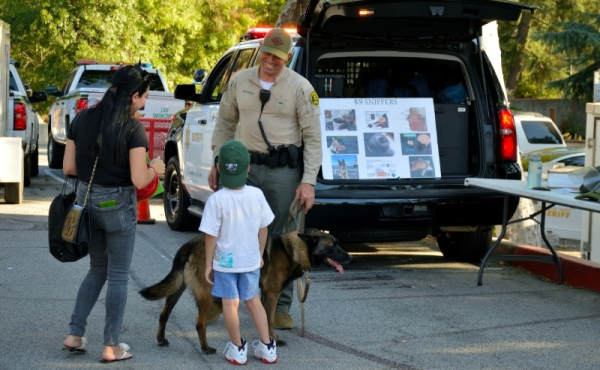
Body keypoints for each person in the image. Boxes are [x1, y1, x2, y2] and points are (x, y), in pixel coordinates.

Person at [208, 28, 322, 330]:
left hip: (284, 172)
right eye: (267, 54)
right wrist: (217, 162)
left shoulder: (300, 87)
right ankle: (222, 297)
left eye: (279, 57)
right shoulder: (240, 81)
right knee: (232, 229)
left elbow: (313, 138)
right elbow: (225, 124)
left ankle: (280, 306)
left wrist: (308, 180)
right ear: (260, 52)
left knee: (286, 237)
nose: (271, 61)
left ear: (287, 57)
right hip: (243, 168)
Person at [61, 65, 165, 363]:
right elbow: (139, 179)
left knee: (97, 269)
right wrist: (155, 168)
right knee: (118, 276)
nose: (143, 104)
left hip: (85, 204)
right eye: (143, 98)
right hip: (116, 207)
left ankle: (74, 333)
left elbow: (69, 167)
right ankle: (111, 345)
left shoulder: (83, 118)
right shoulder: (132, 128)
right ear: (133, 95)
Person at [202, 140, 277, 365]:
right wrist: (260, 254)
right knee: (254, 301)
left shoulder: (216, 200)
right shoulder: (257, 195)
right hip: (250, 258)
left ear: (219, 169)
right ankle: (267, 347)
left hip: (225, 260)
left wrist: (208, 264)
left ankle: (237, 348)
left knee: (230, 303)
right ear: (248, 169)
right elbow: (263, 228)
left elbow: (210, 236)